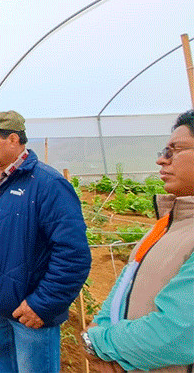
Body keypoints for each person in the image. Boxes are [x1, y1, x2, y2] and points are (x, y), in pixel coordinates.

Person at [0, 110, 90, 372]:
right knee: (0, 362)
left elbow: (73, 255)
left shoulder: (48, 184)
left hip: (29, 310)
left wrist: (41, 304)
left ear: (13, 140)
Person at [81, 110, 194, 373]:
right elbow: (125, 283)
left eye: (174, 150)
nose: (161, 160)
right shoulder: (167, 224)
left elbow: (177, 333)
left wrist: (97, 342)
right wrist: (102, 333)